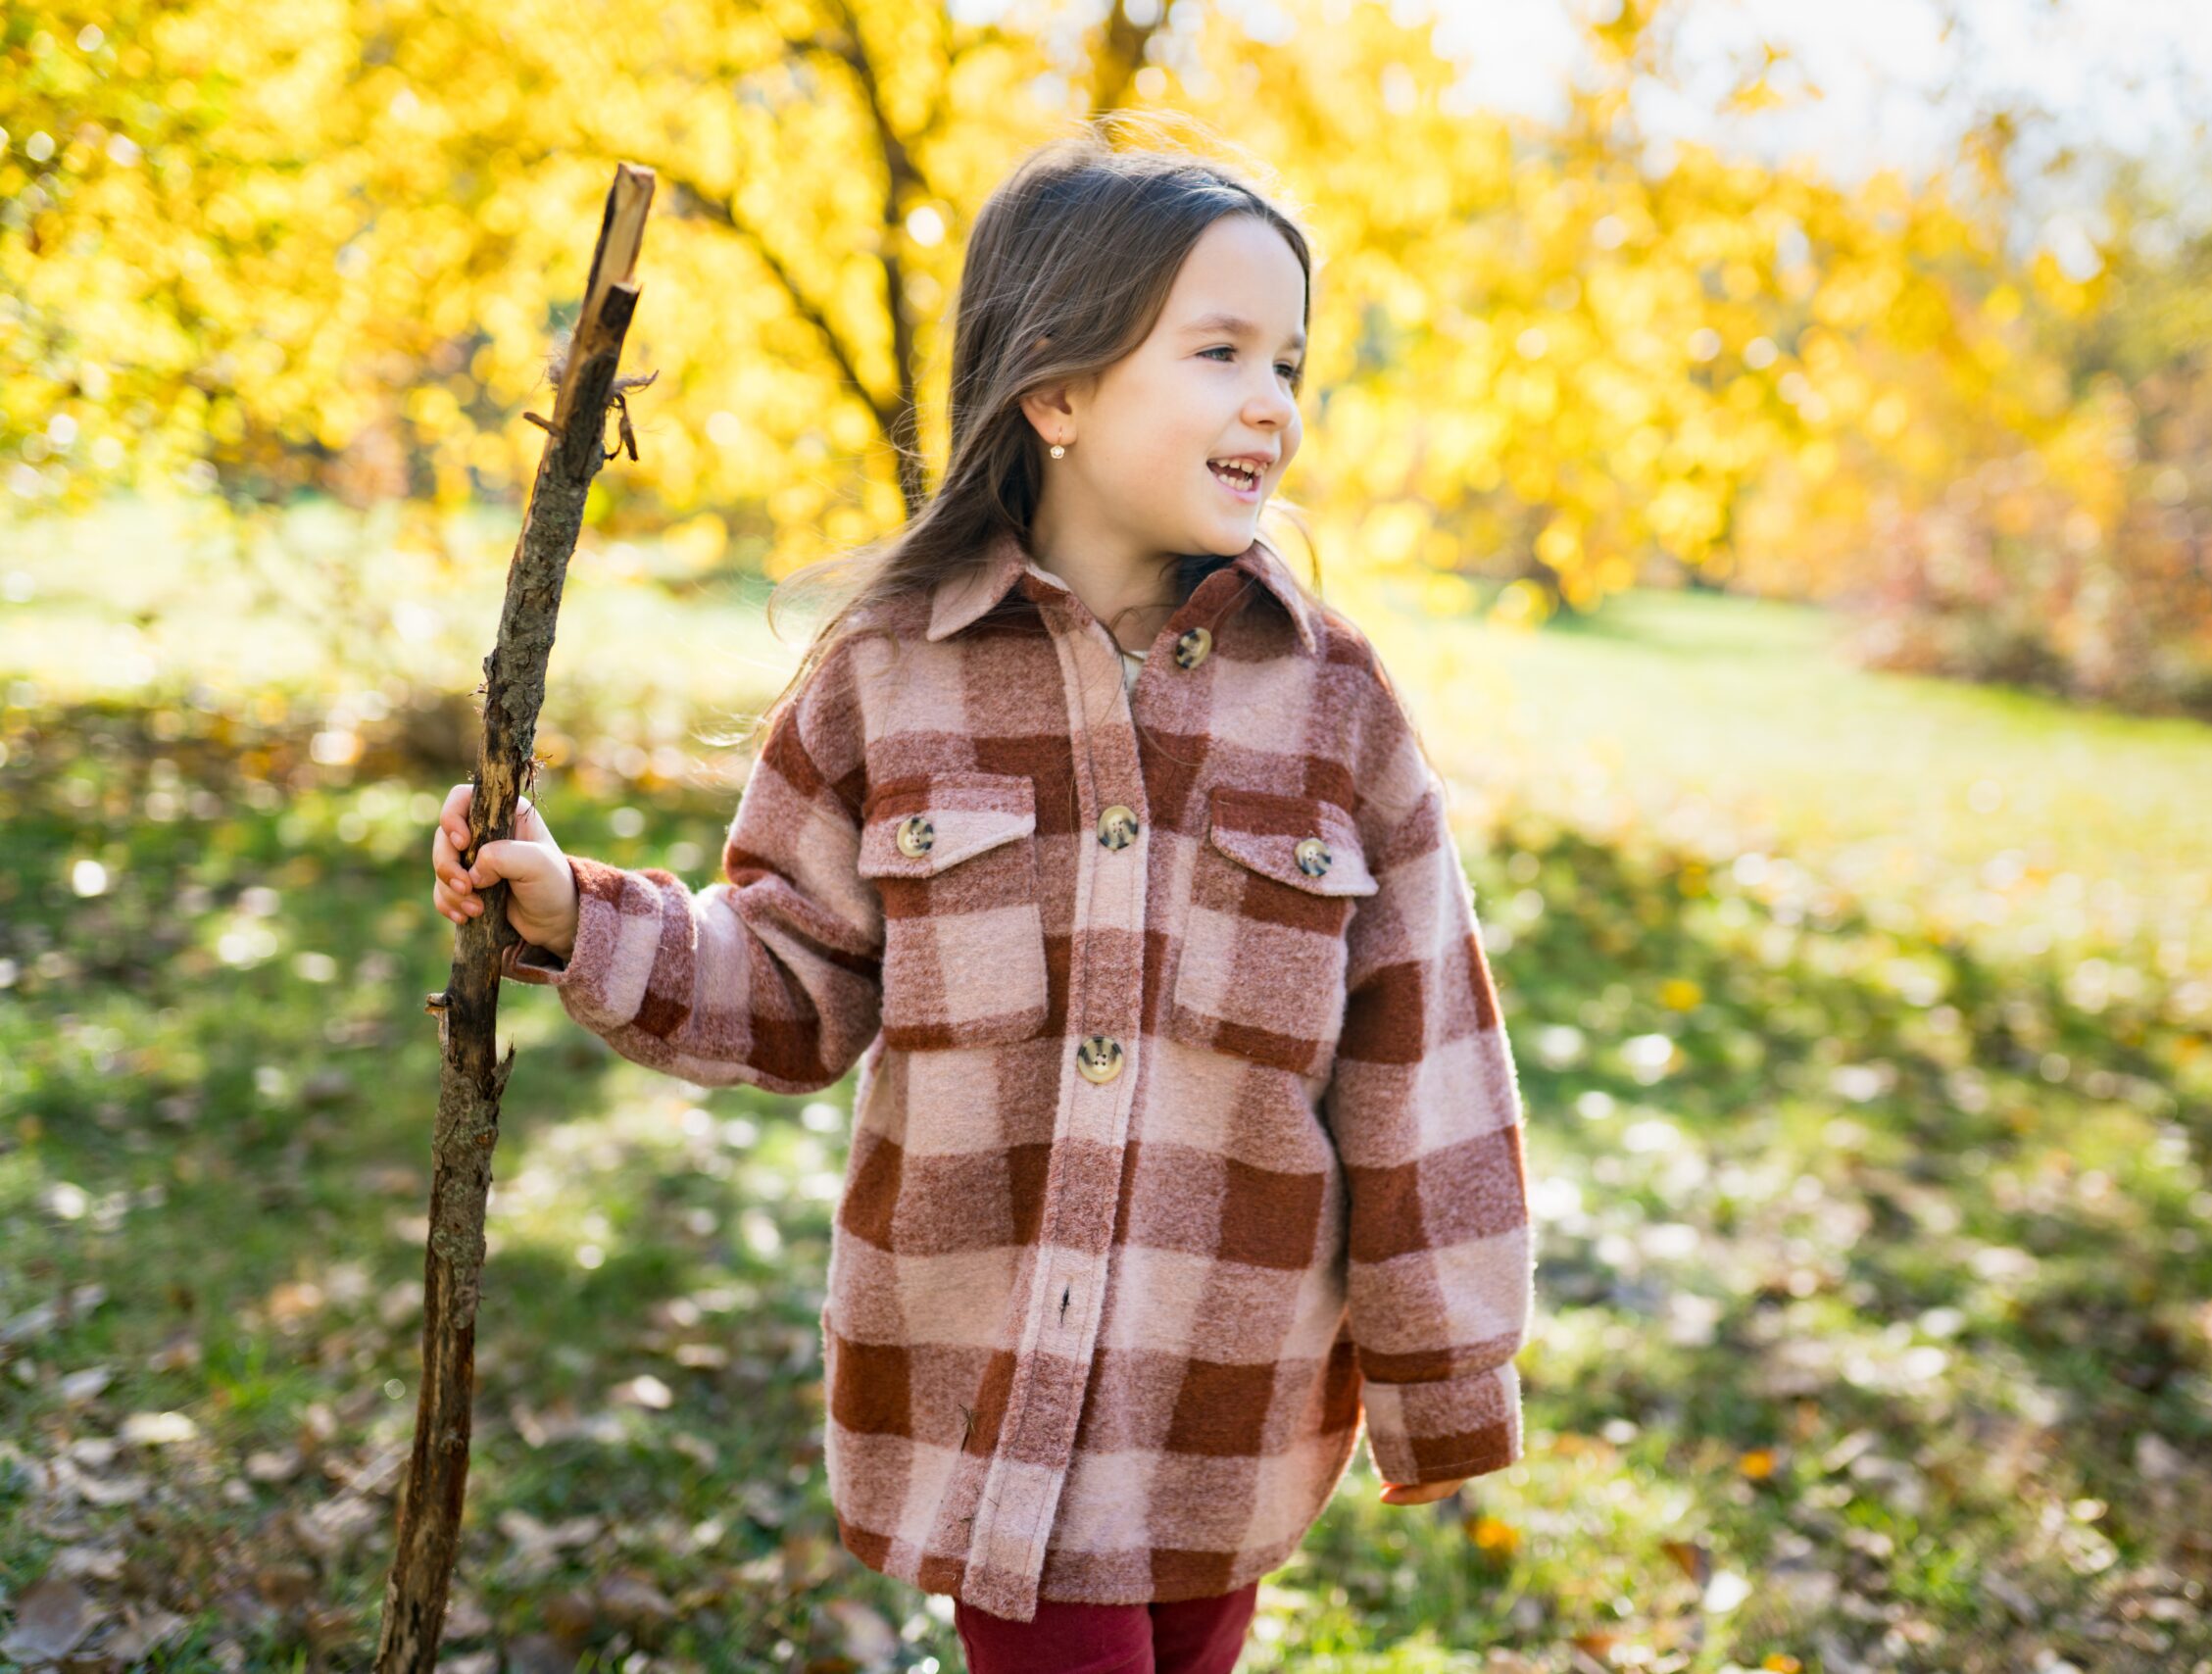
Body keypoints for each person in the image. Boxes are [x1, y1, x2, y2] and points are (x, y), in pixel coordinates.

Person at [425, 118, 1533, 1674]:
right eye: (1221, 352)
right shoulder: (895, 672)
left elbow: (1424, 1060)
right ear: (1059, 389)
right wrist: (571, 916)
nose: (1273, 407)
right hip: (984, 1382)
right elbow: (797, 978)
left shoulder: (1335, 705)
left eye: (1290, 364)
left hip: (1226, 1395)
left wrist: (1445, 1375)